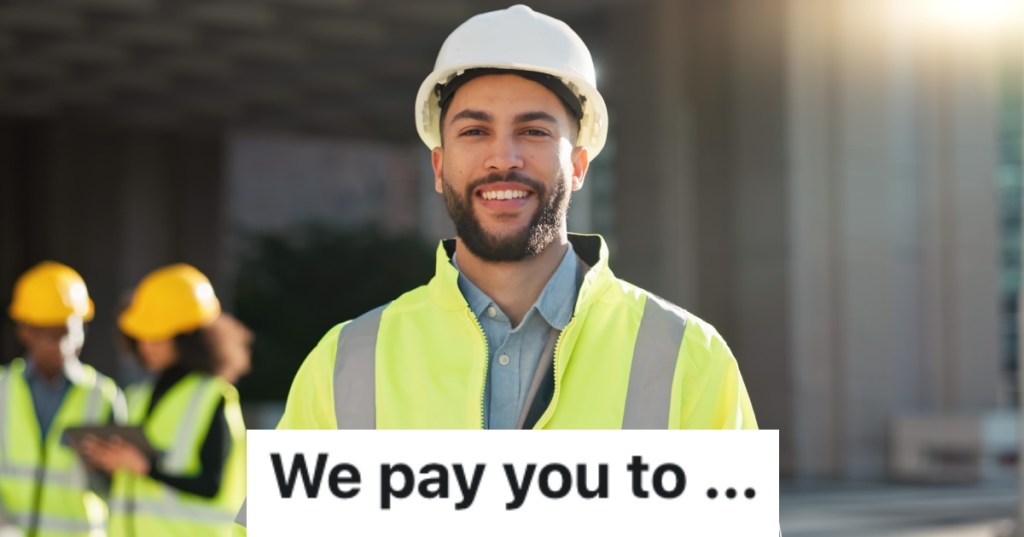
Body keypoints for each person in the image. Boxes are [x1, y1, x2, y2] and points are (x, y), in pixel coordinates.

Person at [235, 4, 757, 531]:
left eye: (532, 132)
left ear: (577, 165)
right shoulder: (344, 363)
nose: (502, 158)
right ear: (440, 167)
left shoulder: (689, 356)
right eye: (474, 131)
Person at [79, 264, 248, 537]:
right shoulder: (138, 396)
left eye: (158, 337)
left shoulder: (214, 396)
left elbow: (213, 485)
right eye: (142, 335)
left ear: (189, 337)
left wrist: (146, 469)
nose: (147, 345)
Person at [0, 261, 125, 537]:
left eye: (69, 331)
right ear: (25, 331)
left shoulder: (103, 395)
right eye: (50, 334)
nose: (62, 345)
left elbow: (121, 490)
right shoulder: (2, 389)